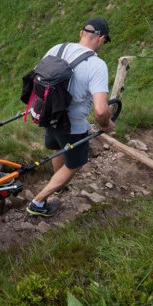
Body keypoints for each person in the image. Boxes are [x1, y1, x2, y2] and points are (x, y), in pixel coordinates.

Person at [26, 17, 115, 217]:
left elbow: (37, 75)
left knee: (59, 148)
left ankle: (59, 185)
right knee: (75, 163)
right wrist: (106, 124)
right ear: (101, 38)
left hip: (48, 115)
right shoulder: (96, 65)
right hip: (72, 125)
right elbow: (100, 111)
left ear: (81, 33)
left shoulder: (57, 48)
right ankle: (38, 202)